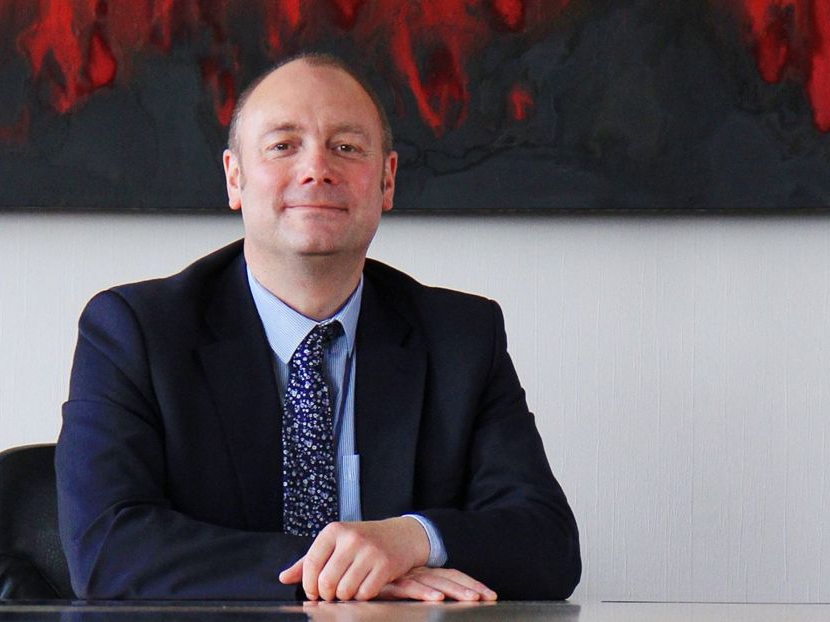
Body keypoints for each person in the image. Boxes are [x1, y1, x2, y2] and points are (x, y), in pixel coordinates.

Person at [55, 53, 581, 602]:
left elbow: (549, 545)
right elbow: (106, 550)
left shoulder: (461, 338)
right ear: (235, 178)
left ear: (387, 180)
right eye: (283, 145)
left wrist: (410, 540)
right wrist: (342, 573)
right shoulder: (134, 332)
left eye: (347, 148)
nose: (316, 170)